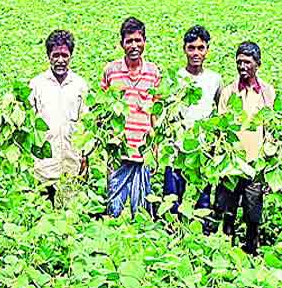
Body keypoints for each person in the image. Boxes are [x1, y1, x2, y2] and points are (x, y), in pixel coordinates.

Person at [211, 41, 276, 255]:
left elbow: (271, 129)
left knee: (253, 214)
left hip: (255, 164)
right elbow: (221, 128)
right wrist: (220, 160)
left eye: (247, 62)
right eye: (239, 62)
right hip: (231, 162)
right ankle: (227, 250)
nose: (242, 67)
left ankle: (251, 251)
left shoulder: (267, 93)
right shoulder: (229, 92)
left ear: (258, 64)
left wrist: (269, 164)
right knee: (226, 210)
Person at [100, 17, 162, 218]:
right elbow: (103, 110)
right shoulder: (111, 71)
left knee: (141, 208)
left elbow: (156, 113)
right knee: (115, 206)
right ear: (122, 44)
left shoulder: (153, 73)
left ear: (144, 41)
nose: (134, 45)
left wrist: (155, 149)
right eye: (129, 41)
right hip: (118, 150)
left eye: (138, 40)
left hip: (143, 151)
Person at [163, 25, 221, 215]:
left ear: (207, 50)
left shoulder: (214, 80)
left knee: (202, 206)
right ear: (184, 49)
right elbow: (165, 113)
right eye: (191, 48)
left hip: (202, 154)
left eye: (200, 48)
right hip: (176, 153)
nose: (196, 53)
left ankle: (199, 240)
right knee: (172, 204)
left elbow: (221, 112)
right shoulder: (176, 78)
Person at [29, 30, 89, 194]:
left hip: (71, 161)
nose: (60, 60)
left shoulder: (80, 85)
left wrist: (85, 157)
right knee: (44, 211)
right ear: (49, 56)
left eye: (64, 55)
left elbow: (85, 123)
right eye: (56, 55)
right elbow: (29, 125)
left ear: (71, 56)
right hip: (44, 165)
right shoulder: (36, 85)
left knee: (69, 210)